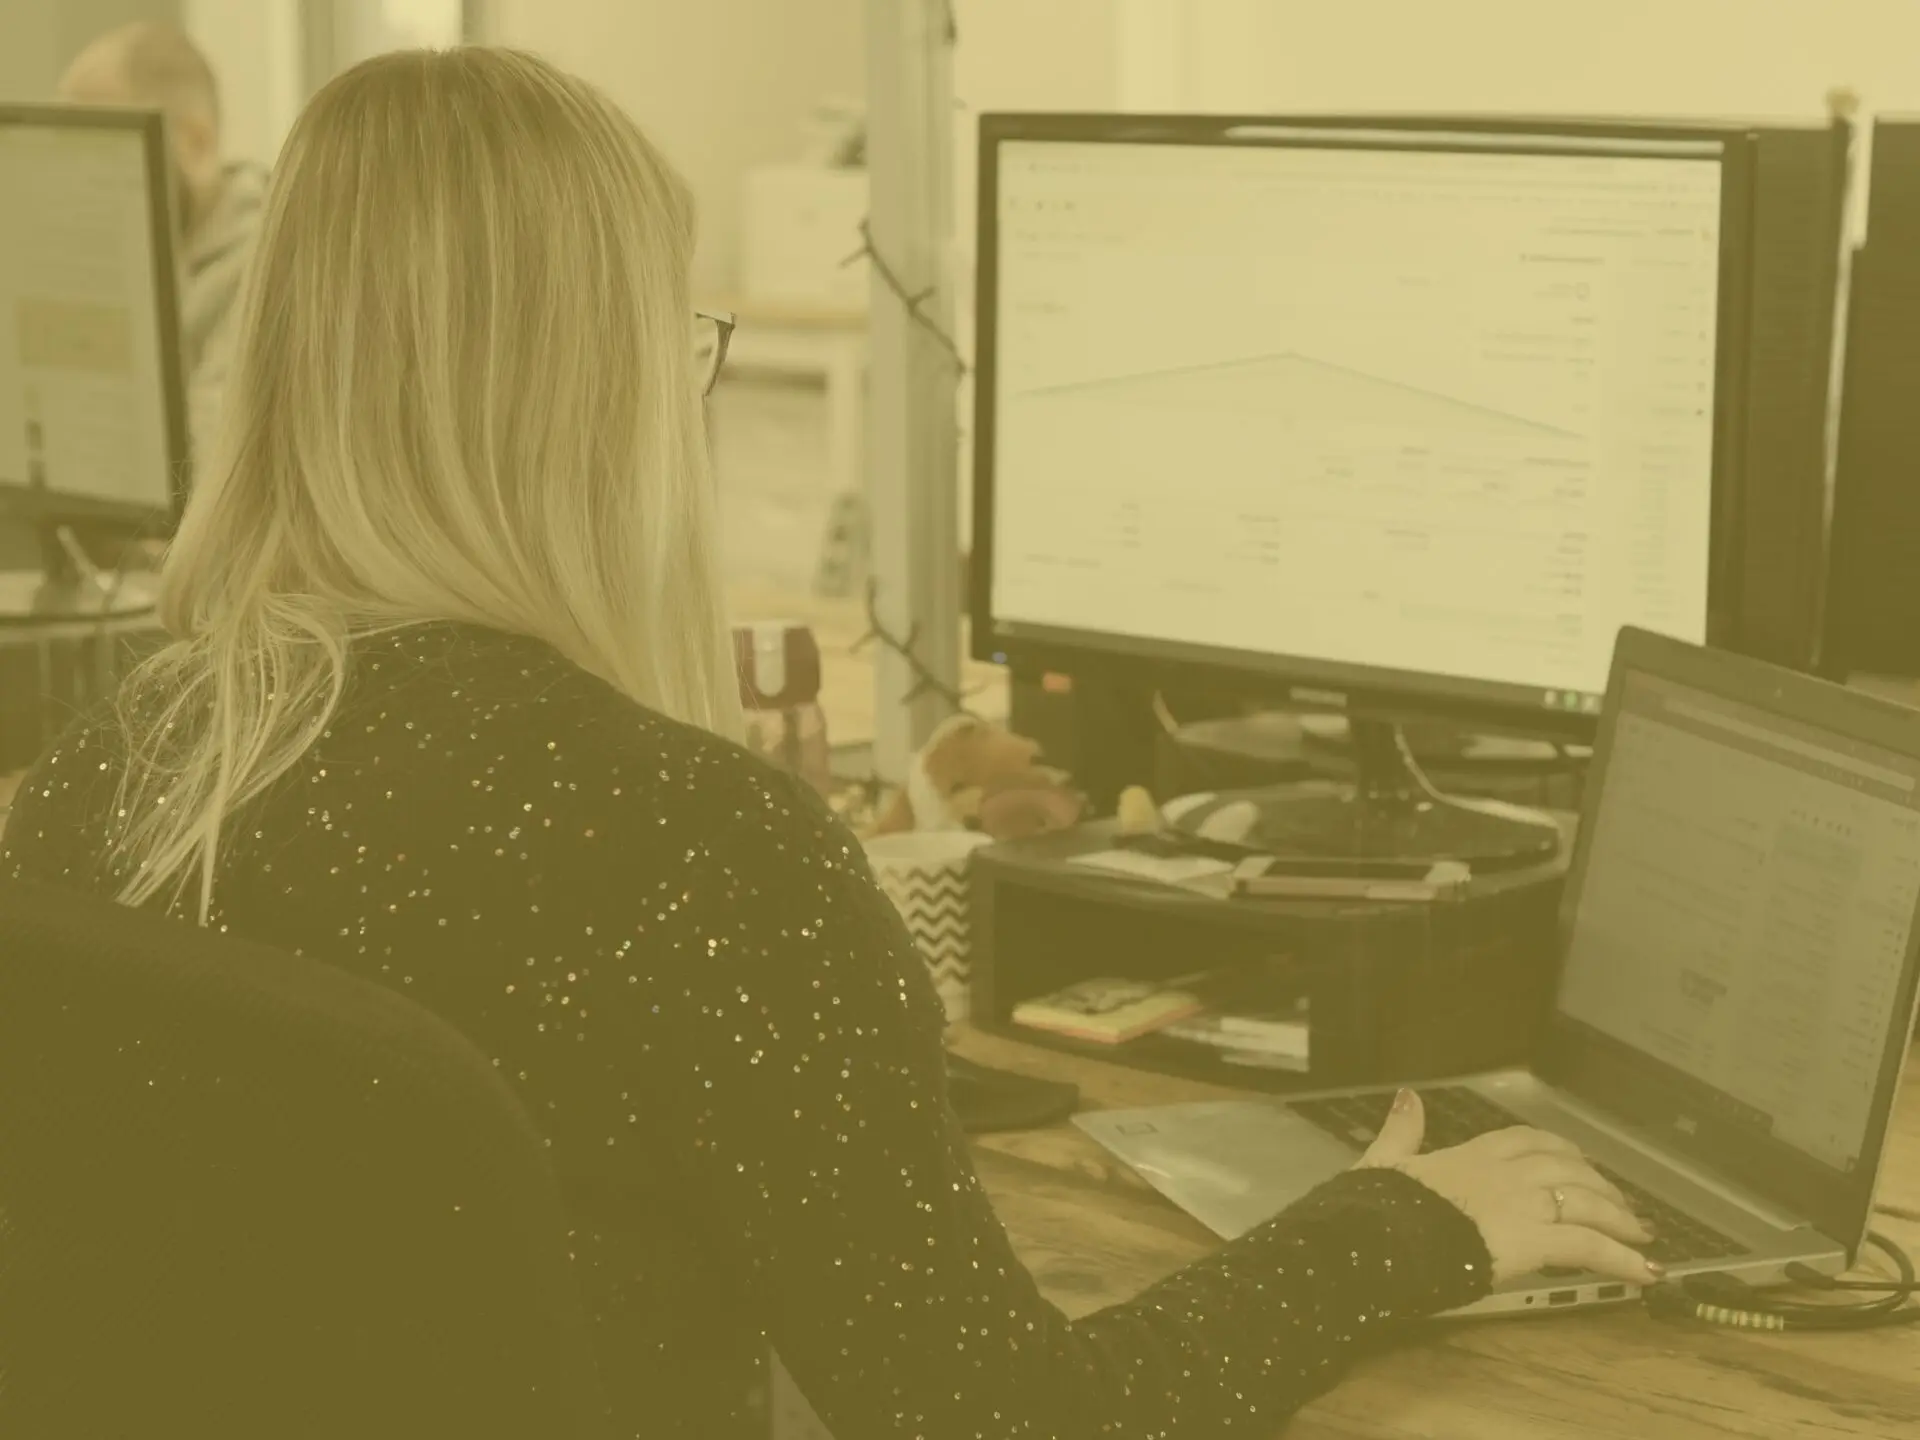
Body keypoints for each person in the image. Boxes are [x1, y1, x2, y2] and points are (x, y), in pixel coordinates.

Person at [0, 47, 1660, 1439]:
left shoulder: (118, 769)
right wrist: (1396, 1230)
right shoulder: (699, 855)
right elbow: (1003, 1427)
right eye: (680, 342)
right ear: (602, 399)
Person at [59, 21, 266, 463]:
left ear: (195, 143)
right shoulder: (131, 257)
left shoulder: (265, 267)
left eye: (104, 148)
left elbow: (210, 466)